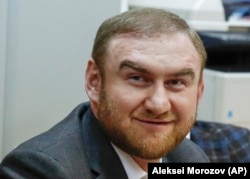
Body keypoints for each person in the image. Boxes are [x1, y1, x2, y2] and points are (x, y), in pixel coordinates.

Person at [0, 7, 210, 179]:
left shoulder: (189, 156)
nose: (159, 104)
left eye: (176, 82)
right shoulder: (39, 171)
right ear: (94, 83)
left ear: (199, 92)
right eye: (137, 78)